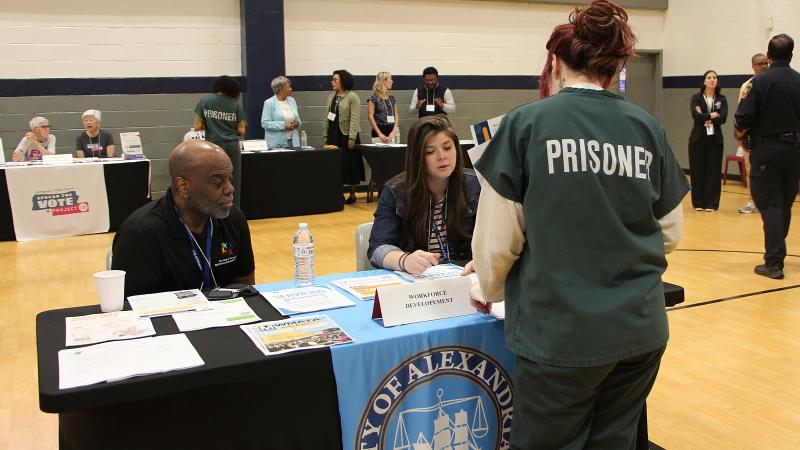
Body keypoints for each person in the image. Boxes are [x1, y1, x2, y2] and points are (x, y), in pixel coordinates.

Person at [467, 1, 689, 448]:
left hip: (561, 339)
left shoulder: (525, 124)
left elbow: (497, 243)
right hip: (639, 332)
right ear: (614, 66)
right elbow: (669, 232)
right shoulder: (647, 128)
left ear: (554, 62)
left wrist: (487, 289)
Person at [112, 139, 255, 297]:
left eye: (230, 178)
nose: (230, 189)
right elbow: (133, 309)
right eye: (217, 182)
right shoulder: (140, 234)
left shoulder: (234, 219)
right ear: (183, 186)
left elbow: (246, 288)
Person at [367, 115, 480, 274]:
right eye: (430, 151)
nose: (442, 156)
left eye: (447, 148)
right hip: (419, 285)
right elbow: (377, 248)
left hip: (465, 280)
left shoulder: (477, 185)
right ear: (417, 157)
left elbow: (498, 240)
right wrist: (404, 260)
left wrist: (483, 260)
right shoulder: (395, 190)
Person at [735, 33, 800, 280]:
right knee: (784, 202)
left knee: (769, 204)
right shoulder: (799, 81)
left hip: (767, 151)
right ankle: (777, 251)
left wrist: (742, 138)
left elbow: (743, 119)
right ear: (791, 55)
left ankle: (773, 262)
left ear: (769, 56)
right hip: (795, 151)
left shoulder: (759, 83)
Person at [193, 75, 246, 208]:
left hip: (213, 146)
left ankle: (214, 210)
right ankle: (234, 212)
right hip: (232, 146)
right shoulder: (235, 105)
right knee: (234, 181)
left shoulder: (204, 102)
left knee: (213, 180)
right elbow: (241, 130)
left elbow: (197, 126)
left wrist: (210, 126)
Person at [688, 70, 728, 212]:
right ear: (704, 81)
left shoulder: (722, 99)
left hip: (715, 139)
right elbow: (695, 116)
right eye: (709, 77)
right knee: (698, 170)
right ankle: (698, 202)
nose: (712, 80)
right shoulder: (696, 98)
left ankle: (712, 203)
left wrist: (704, 115)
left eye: (714, 77)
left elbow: (723, 118)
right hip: (698, 138)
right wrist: (712, 115)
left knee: (713, 171)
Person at [322, 69, 363, 204]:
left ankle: (352, 194)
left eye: (335, 80)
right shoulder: (331, 97)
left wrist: (352, 137)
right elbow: (326, 118)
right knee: (336, 164)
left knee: (350, 163)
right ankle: (337, 193)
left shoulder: (352, 96)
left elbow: (355, 118)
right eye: (332, 79)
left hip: (346, 135)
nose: (332, 82)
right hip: (334, 135)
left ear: (343, 81)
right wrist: (325, 134)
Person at [738, 53, 769, 214]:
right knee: (752, 170)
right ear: (753, 66)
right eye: (760, 63)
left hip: (770, 136)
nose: (764, 66)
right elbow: (741, 114)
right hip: (752, 137)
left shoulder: (773, 82)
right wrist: (741, 137)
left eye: (766, 62)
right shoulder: (747, 86)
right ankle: (752, 201)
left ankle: (768, 202)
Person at [261, 76, 302, 148]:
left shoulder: (292, 100)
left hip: (293, 142)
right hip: (276, 143)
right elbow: (265, 123)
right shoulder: (269, 103)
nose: (291, 89)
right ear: (280, 89)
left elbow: (298, 120)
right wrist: (284, 125)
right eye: (288, 87)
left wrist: (296, 124)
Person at [367, 71, 399, 144]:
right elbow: (370, 116)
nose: (392, 81)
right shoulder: (373, 98)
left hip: (391, 130)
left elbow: (396, 115)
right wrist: (379, 133)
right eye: (390, 79)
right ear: (384, 80)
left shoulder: (392, 98)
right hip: (379, 130)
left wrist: (394, 131)